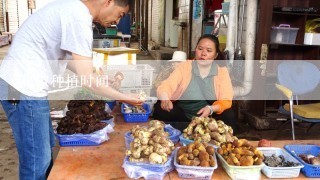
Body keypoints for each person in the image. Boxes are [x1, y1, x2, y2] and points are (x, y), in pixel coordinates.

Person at [0, 0, 143, 179]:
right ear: (108, 2)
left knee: (44, 152)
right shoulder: (78, 18)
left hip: (25, 87)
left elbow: (69, 61)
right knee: (37, 161)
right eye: (119, 14)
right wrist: (123, 97)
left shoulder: (73, 10)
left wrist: (98, 77)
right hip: (22, 88)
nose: (116, 21)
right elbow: (87, 82)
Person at [153, 34, 235, 132]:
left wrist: (211, 109)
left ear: (216, 55)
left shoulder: (222, 72)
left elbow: (226, 99)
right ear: (195, 50)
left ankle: (206, 131)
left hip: (209, 118)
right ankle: (188, 130)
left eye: (209, 51)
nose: (203, 53)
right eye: (200, 49)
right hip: (183, 116)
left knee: (229, 115)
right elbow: (167, 85)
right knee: (160, 109)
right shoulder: (184, 67)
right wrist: (165, 99)